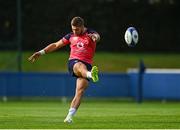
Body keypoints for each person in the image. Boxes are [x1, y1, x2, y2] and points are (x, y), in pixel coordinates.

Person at [28, 16, 100, 123]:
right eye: (73, 29)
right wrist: (41, 52)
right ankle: (90, 75)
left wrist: (95, 37)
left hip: (87, 65)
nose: (74, 31)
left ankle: (69, 117)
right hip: (74, 62)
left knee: (80, 91)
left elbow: (97, 36)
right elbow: (56, 45)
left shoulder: (90, 33)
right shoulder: (70, 36)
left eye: (77, 29)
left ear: (82, 27)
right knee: (79, 65)